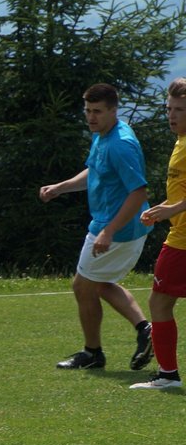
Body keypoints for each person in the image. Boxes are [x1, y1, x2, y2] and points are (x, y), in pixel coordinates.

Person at [39, 82, 153, 371]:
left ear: (114, 110)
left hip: (117, 229)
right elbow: (96, 171)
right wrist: (61, 187)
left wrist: (109, 231)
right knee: (98, 283)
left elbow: (138, 192)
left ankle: (92, 354)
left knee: (82, 286)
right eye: (88, 110)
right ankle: (145, 330)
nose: (91, 117)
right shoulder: (103, 134)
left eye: (98, 111)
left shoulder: (120, 144)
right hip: (113, 226)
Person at [131, 78, 186, 389]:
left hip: (182, 243)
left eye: (179, 110)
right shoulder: (180, 142)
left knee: (160, 303)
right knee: (161, 302)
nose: (172, 115)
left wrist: (172, 209)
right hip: (180, 236)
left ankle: (168, 376)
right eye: (169, 109)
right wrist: (162, 208)